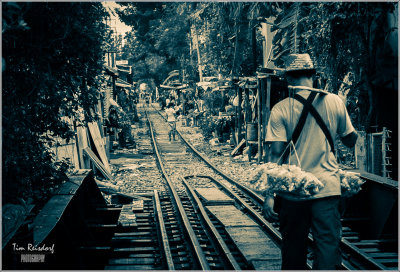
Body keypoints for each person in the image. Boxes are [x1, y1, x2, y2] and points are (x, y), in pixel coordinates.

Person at [263, 53, 358, 270]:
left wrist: (269, 196)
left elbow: (275, 155)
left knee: (293, 249)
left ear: (288, 78)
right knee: (327, 247)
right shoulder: (335, 101)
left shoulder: (281, 108)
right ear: (314, 75)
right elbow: (350, 139)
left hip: (293, 192)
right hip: (327, 190)